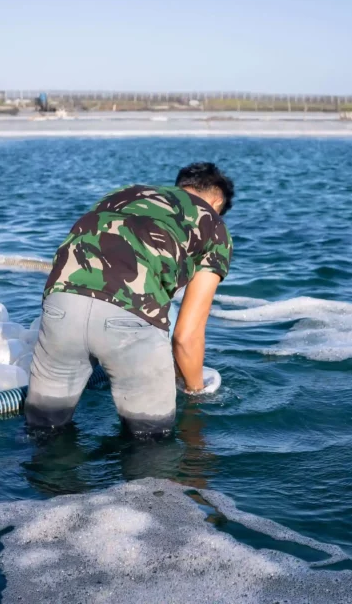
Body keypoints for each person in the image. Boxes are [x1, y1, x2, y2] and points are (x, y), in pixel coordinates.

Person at [26, 162, 234, 439]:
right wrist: (196, 393)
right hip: (131, 318)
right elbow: (186, 336)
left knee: (43, 434)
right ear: (217, 201)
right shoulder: (213, 223)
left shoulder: (125, 192)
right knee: (150, 446)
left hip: (59, 307)